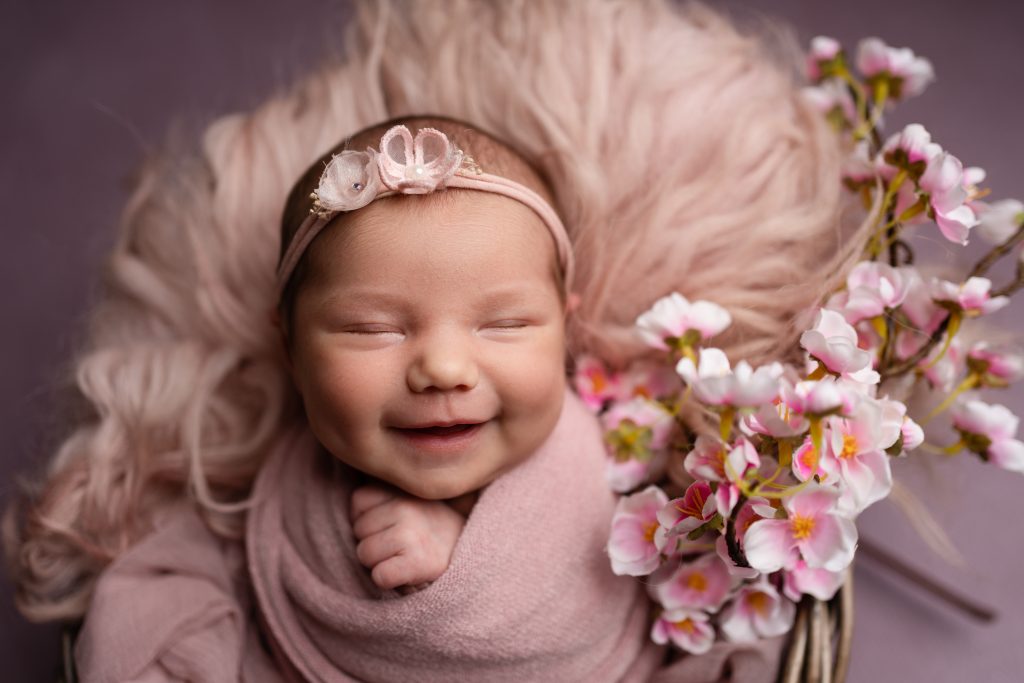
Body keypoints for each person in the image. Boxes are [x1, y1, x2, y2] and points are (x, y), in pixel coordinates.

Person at [3, 0, 863, 680]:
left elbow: (622, 591)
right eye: (372, 328)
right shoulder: (264, 496)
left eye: (504, 324)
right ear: (290, 345)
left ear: (564, 328)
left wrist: (459, 561)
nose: (445, 367)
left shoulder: (621, 458)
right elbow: (168, 596)